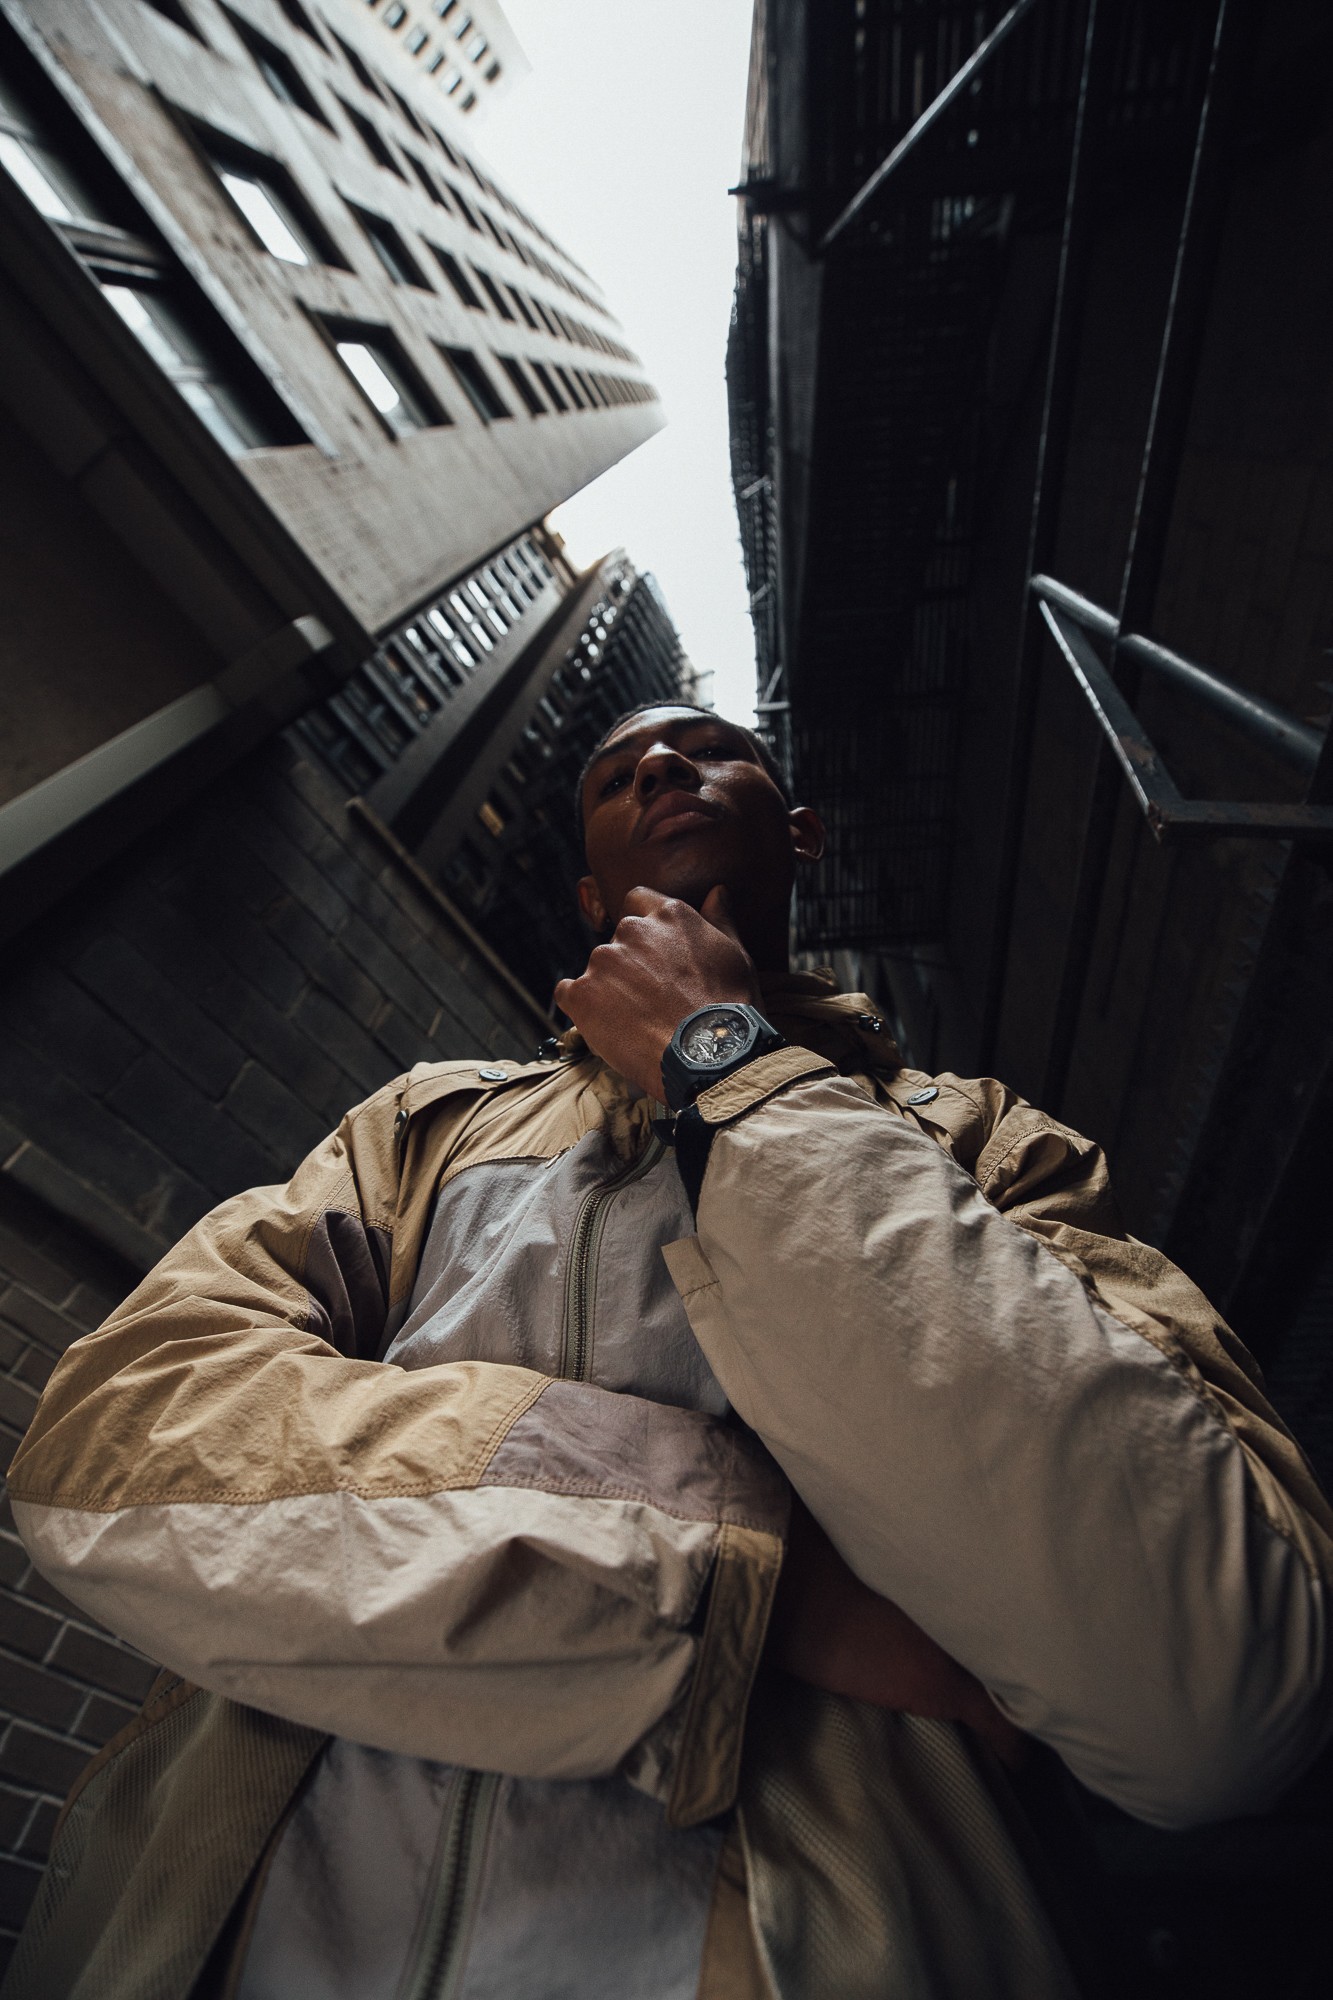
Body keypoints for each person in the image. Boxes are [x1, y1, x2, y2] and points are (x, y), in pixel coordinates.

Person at [5, 703, 1333, 2000]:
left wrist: (729, 1069)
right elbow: (119, 1432)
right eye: (616, 771)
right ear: (591, 896)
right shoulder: (422, 1128)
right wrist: (745, 1581)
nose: (657, 764)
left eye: (710, 750)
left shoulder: (992, 1147)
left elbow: (1212, 1697)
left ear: (799, 834)